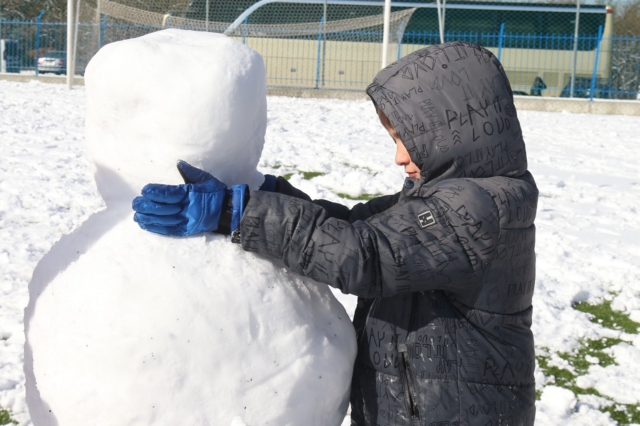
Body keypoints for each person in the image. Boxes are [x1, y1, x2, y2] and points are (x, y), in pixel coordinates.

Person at [133, 41, 538, 426]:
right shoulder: (441, 195)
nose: (399, 157)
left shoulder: (479, 209)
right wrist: (270, 195)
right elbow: (353, 224)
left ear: (455, 130)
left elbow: (365, 255)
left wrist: (237, 213)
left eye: (407, 140)